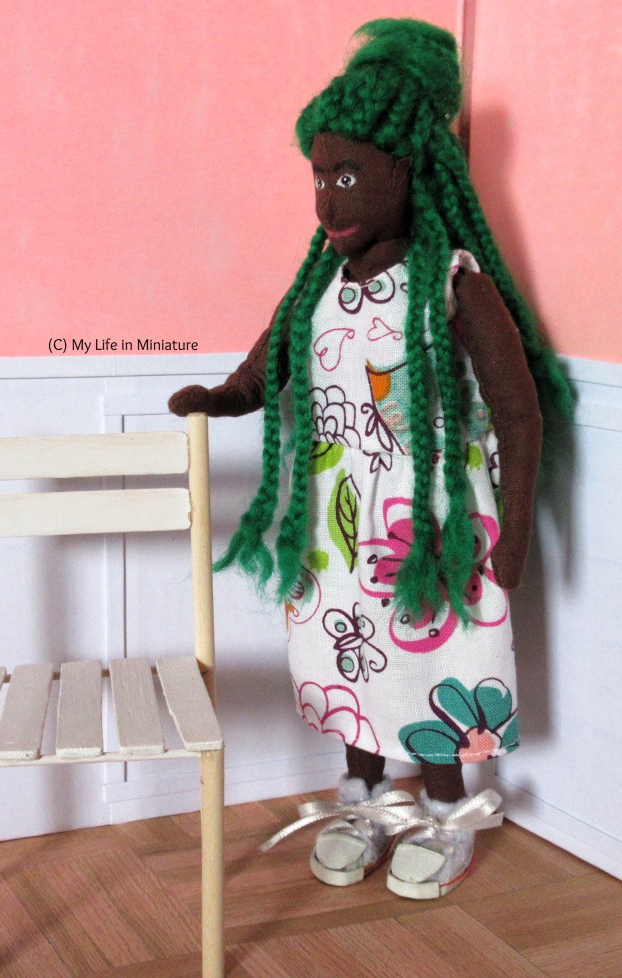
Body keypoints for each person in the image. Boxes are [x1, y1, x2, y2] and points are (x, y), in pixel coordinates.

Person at [169, 18, 572, 898]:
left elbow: (516, 410)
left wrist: (510, 536)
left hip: (433, 523)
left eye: (347, 174)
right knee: (349, 661)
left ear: (408, 170)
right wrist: (221, 397)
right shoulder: (319, 285)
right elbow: (266, 362)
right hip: (337, 524)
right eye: (319, 175)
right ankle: (363, 795)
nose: (328, 198)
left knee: (434, 665)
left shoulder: (452, 282)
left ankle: (440, 809)